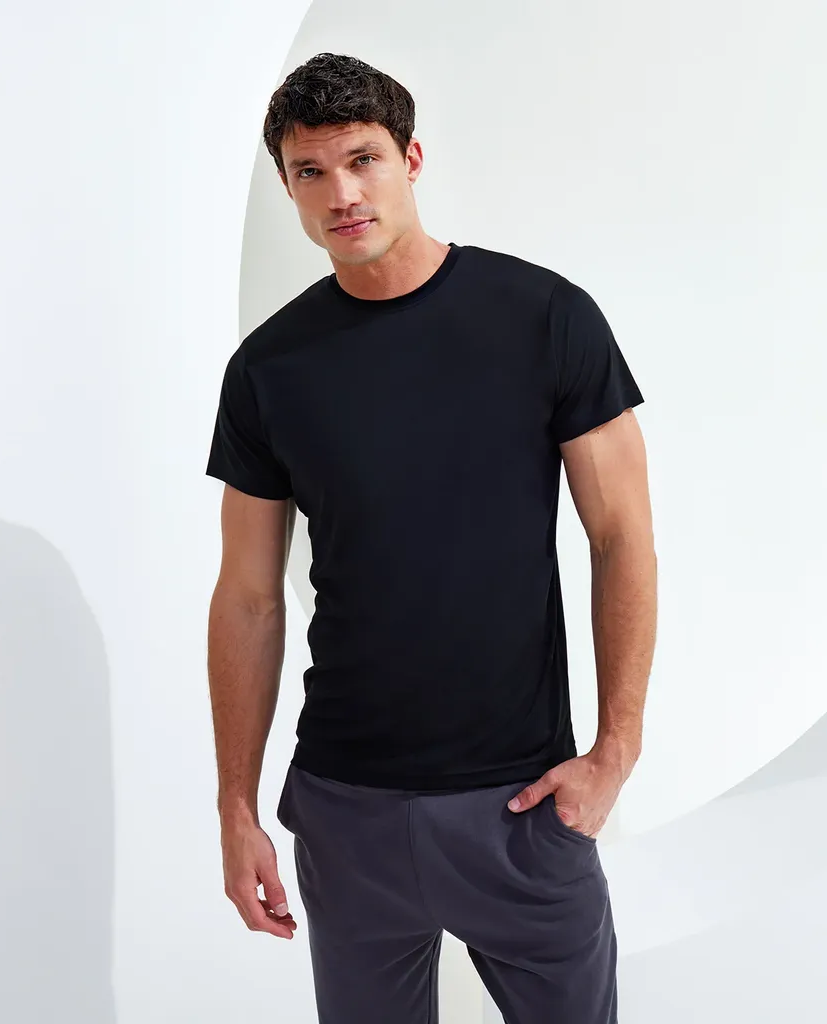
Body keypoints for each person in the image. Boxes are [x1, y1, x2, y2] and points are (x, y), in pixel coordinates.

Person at [205, 51, 657, 1024]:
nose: (342, 193)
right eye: (310, 171)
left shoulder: (544, 318)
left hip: (521, 806)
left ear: (410, 158)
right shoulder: (269, 369)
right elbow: (245, 595)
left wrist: (614, 750)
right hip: (345, 810)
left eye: (362, 159)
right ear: (287, 186)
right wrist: (235, 807)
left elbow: (621, 535)